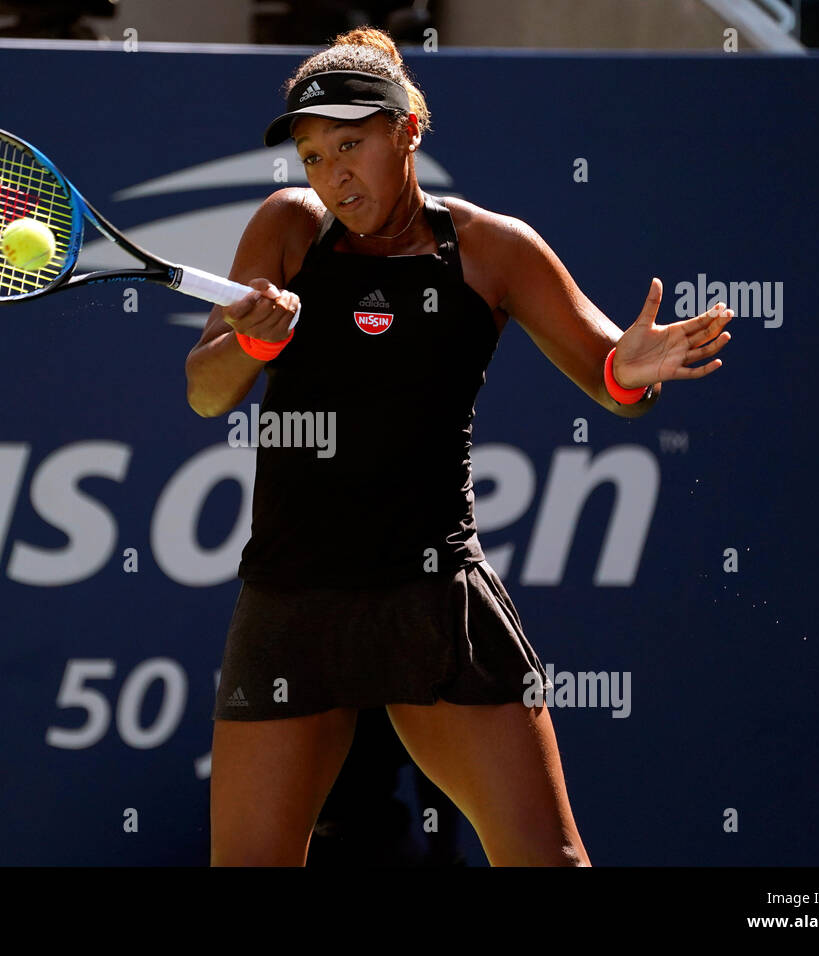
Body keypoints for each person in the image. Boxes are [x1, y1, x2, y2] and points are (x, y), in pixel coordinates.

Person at [185, 27, 734, 867]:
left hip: (432, 599)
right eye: (311, 153)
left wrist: (633, 368)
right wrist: (254, 344)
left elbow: (612, 381)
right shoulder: (289, 228)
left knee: (549, 861)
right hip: (292, 599)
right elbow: (203, 388)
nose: (331, 173)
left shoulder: (492, 250)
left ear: (406, 132)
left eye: (349, 144)